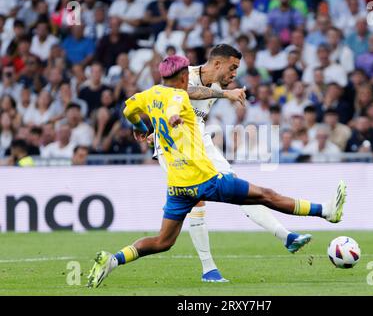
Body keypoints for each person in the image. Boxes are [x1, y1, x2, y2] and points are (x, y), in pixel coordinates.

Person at [87, 55, 347, 288]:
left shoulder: (148, 94)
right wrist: (174, 117)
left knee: (163, 241)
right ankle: (325, 212)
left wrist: (140, 127)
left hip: (178, 188)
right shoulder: (178, 96)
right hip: (206, 181)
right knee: (266, 194)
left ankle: (113, 260)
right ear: (182, 78)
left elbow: (127, 108)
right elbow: (177, 104)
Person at [153, 45, 309, 283]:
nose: (235, 74)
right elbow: (183, 92)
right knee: (197, 198)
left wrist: (224, 92)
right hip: (173, 146)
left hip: (200, 141)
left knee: (239, 188)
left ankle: (286, 236)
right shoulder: (187, 75)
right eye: (232, 67)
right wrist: (225, 94)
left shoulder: (217, 86)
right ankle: (209, 270)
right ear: (217, 64)